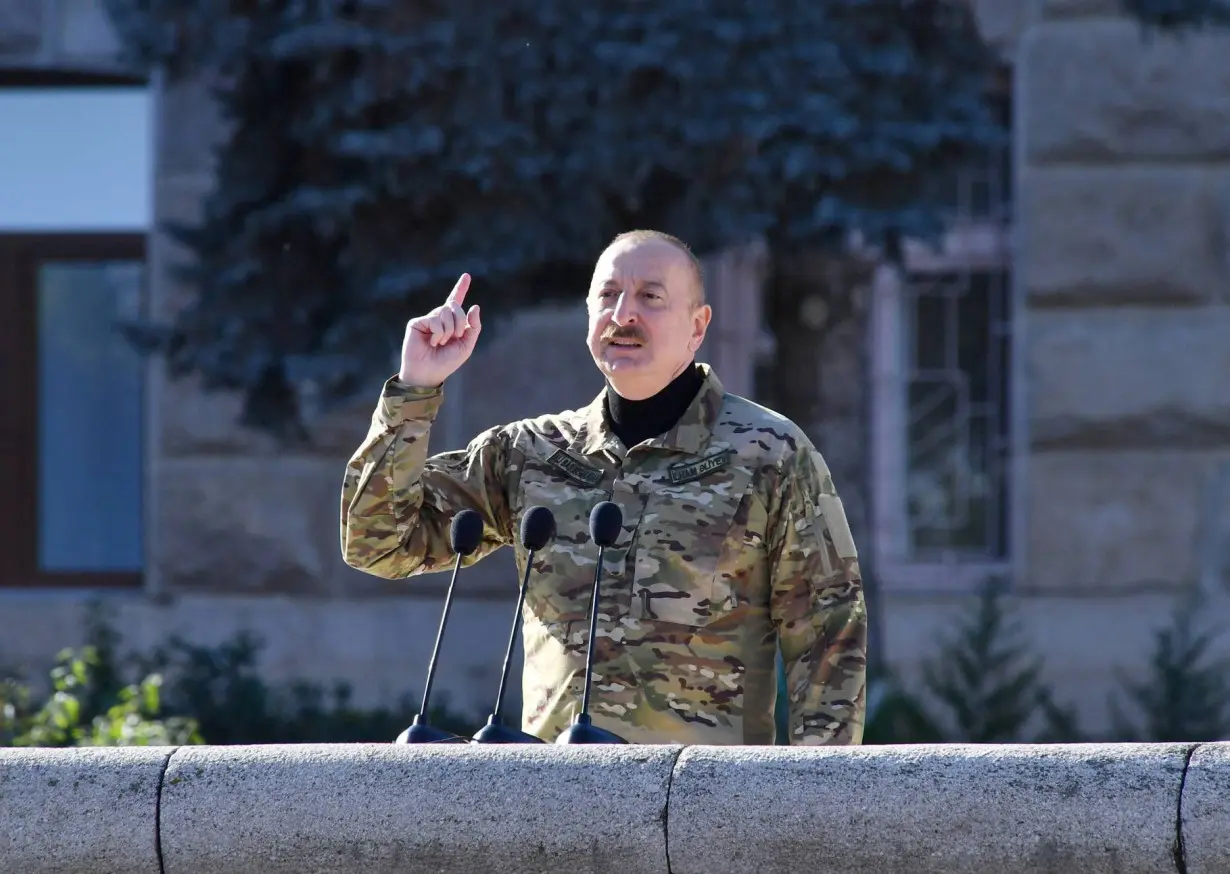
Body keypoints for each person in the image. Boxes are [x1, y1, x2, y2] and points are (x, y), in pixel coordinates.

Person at [341, 230, 867, 746]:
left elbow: (830, 632)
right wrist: (416, 388)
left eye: (650, 297)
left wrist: (811, 807)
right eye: (608, 296)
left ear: (697, 325)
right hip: (554, 805)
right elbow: (378, 543)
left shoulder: (769, 453)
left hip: (702, 811)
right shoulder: (530, 453)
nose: (623, 316)